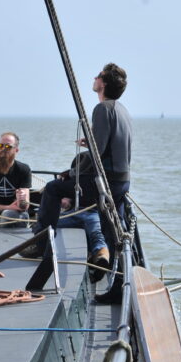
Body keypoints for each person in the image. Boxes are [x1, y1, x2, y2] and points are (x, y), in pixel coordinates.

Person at [27, 63, 131, 289]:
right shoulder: (121, 109)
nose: (94, 78)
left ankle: (42, 244)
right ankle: (118, 281)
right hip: (122, 181)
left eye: (99, 76)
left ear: (103, 83)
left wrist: (72, 173)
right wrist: (90, 142)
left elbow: (99, 151)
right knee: (115, 230)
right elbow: (106, 146)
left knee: (54, 188)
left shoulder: (102, 109)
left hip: (107, 182)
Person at [56, 198, 109, 283]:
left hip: (80, 212)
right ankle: (102, 256)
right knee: (97, 235)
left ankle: (101, 259)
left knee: (49, 223)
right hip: (89, 213)